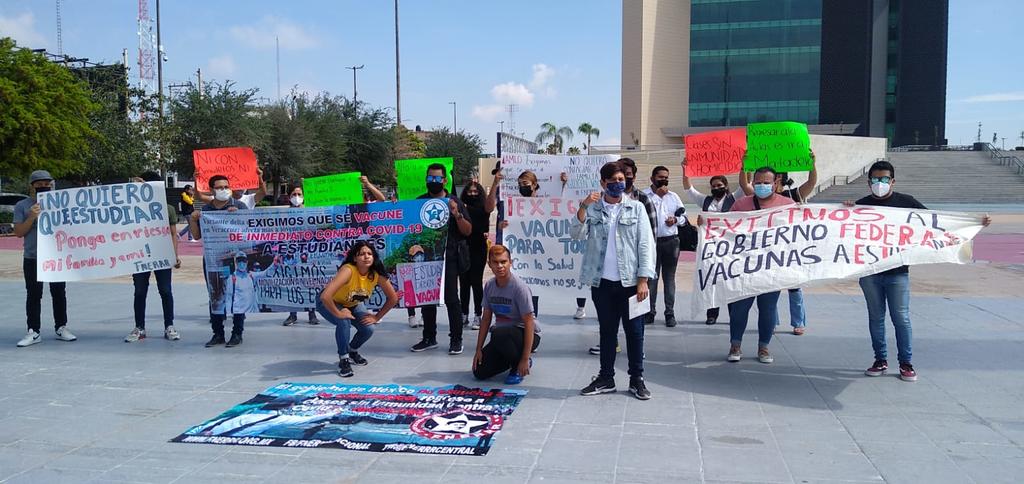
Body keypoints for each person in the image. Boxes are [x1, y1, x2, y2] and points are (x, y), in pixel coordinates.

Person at [845, 161, 990, 382]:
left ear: (892, 181)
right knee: (876, 318)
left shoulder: (907, 203)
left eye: (884, 179)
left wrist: (973, 223)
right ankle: (880, 360)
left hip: (898, 272)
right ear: (869, 182)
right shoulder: (861, 206)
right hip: (870, 272)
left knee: (901, 318)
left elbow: (937, 223)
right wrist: (845, 211)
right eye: (875, 179)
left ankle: (906, 363)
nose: (880, 183)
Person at [573, 161, 656, 400]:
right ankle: (606, 377)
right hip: (602, 282)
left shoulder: (636, 208)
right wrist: (583, 206)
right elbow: (576, 234)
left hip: (631, 283)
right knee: (607, 331)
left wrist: (643, 280)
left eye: (621, 180)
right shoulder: (594, 209)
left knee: (635, 332)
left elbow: (645, 244)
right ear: (602, 183)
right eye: (613, 181)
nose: (618, 184)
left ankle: (636, 379)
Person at [486, 169, 589, 320]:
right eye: (520, 184)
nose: (522, 186)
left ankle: (531, 326)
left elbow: (563, 209)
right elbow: (492, 211)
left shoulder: (546, 203)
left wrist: (565, 184)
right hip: (522, 258)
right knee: (522, 290)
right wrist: (502, 225)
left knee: (533, 293)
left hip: (543, 258)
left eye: (525, 183)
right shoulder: (513, 205)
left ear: (534, 185)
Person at [721, 166, 795, 364]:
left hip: (772, 267)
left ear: (775, 183)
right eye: (758, 182)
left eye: (766, 182)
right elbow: (724, 227)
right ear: (752, 183)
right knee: (739, 309)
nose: (762, 186)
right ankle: (735, 344)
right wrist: (706, 222)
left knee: (768, 308)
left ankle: (764, 347)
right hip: (744, 267)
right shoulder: (741, 204)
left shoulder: (787, 204)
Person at [410, 163, 473, 355]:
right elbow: (410, 227)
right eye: (430, 178)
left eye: (437, 179)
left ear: (444, 180)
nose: (433, 182)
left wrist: (457, 214)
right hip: (427, 258)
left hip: (450, 258)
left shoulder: (454, 201)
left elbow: (468, 231)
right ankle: (429, 337)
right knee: (427, 299)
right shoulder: (419, 201)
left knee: (452, 299)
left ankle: (456, 339)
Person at [13, 170, 76, 347]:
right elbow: (18, 233)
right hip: (33, 257)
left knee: (59, 292)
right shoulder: (22, 206)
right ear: (32, 186)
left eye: (46, 183)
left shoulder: (60, 204)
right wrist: (32, 216)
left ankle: (61, 327)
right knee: (33, 294)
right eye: (39, 184)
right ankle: (33, 331)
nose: (43, 186)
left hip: (56, 257)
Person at [317, 241, 399, 377]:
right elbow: (326, 296)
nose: (366, 257)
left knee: (369, 328)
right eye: (361, 254)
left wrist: (377, 317)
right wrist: (339, 313)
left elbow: (393, 298)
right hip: (329, 302)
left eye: (369, 254)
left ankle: (352, 350)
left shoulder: (376, 274)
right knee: (344, 322)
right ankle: (344, 359)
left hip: (352, 304)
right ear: (355, 258)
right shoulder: (348, 270)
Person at [681, 165, 750, 325]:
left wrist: (745, 165)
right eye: (714, 186)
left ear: (726, 186)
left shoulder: (734, 198)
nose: (717, 188)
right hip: (711, 249)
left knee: (731, 280)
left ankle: (734, 313)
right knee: (712, 280)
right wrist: (686, 169)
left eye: (720, 185)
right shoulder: (705, 201)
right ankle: (712, 314)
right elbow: (689, 189)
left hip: (730, 248)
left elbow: (744, 183)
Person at [190, 174, 250, 347]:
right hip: (213, 259)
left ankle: (237, 332)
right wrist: (193, 220)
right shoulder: (207, 211)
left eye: (226, 186)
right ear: (211, 190)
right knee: (215, 294)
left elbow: (249, 232)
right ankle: (218, 333)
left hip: (234, 258)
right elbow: (196, 235)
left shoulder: (239, 206)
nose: (223, 190)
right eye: (219, 187)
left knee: (237, 292)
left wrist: (238, 217)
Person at [125, 171, 183, 343]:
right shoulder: (132, 207)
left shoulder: (168, 208)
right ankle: (139, 327)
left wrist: (174, 255)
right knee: (140, 291)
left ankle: (169, 325)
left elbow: (173, 233)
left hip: (161, 255)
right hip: (140, 255)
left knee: (165, 290)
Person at [472, 244, 540, 384]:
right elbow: (486, 319)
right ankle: (510, 360)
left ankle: (518, 366)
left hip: (526, 334)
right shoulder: (489, 286)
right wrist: (478, 349)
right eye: (495, 262)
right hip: (502, 337)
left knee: (498, 332)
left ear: (511, 263)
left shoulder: (519, 288)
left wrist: (524, 358)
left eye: (503, 262)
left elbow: (529, 322)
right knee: (479, 371)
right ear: (489, 264)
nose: (500, 266)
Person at [773, 153, 818, 335]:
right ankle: (772, 321)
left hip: (791, 247)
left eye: (775, 177)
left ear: (781, 178)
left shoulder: (793, 194)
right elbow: (746, 186)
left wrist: (812, 164)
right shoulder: (763, 198)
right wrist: (745, 168)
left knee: (794, 288)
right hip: (771, 248)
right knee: (770, 288)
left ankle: (798, 322)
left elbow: (811, 183)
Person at [642, 165, 684, 327]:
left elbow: (684, 216)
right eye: (660, 177)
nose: (664, 180)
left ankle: (669, 313)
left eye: (666, 177)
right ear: (652, 178)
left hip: (671, 241)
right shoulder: (645, 196)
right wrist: (658, 198)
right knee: (651, 279)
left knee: (669, 279)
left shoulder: (673, 196)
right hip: (651, 242)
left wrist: (676, 220)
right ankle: (649, 312)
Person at [280, 185, 320, 326]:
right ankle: (292, 314)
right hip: (291, 254)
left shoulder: (310, 211)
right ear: (289, 196)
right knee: (293, 283)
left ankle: (312, 313)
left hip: (307, 253)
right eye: (294, 194)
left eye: (299, 194)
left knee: (309, 283)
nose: (297, 197)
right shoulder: (284, 214)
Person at [459, 181, 491, 330]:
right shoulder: (460, 208)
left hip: (478, 247)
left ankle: (478, 314)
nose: (472, 194)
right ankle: (463, 313)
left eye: (475, 191)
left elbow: (485, 214)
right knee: (464, 282)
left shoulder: (483, 208)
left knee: (476, 282)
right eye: (469, 191)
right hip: (464, 247)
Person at [195, 167, 267, 209]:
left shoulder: (249, 199)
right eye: (238, 186)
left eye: (243, 186)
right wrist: (196, 180)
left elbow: (263, 192)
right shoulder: (218, 199)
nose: (241, 189)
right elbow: (199, 196)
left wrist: (260, 178)